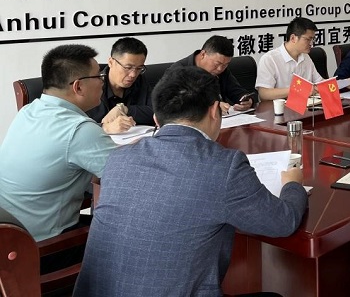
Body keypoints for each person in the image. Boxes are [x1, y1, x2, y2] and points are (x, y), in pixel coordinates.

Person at [74, 66, 307, 297]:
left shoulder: (118, 158)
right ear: (214, 111)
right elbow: (282, 222)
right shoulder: (224, 166)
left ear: (156, 118)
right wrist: (293, 184)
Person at [0, 45, 117, 241]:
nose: (103, 82)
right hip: (42, 246)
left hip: (9, 236)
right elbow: (131, 177)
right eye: (99, 76)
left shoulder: (28, 112)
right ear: (78, 87)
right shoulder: (80, 130)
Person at [170, 35, 254, 112]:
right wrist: (210, 107)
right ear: (203, 54)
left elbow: (236, 91)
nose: (220, 69)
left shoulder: (222, 69)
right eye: (217, 64)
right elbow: (173, 106)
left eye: (225, 65)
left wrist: (247, 101)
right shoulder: (178, 71)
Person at [86, 36, 152, 133]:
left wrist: (124, 109)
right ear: (111, 62)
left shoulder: (140, 80)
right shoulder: (90, 84)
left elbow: (158, 112)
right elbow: (74, 124)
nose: (133, 74)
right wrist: (105, 128)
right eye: (128, 67)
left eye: (139, 68)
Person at [256, 17, 330, 100]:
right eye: (308, 39)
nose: (311, 44)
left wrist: (329, 85)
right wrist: (298, 90)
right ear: (293, 38)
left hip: (305, 105)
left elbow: (319, 82)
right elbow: (264, 93)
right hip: (279, 107)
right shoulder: (270, 59)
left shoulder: (306, 57)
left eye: (313, 39)